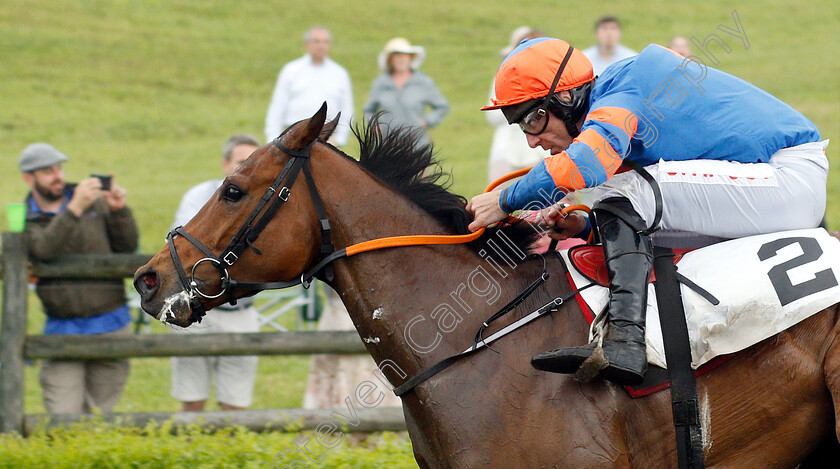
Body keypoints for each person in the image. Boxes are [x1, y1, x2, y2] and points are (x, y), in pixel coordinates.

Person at [467, 38, 827, 386]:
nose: (531, 140)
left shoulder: (626, 86)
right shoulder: (613, 100)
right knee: (619, 196)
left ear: (565, 97)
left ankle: (625, 343)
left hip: (789, 175)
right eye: (522, 127)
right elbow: (637, 215)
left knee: (624, 190)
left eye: (534, 120)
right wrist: (585, 226)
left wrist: (503, 200)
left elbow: (586, 166)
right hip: (772, 189)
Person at [20, 142, 138, 414]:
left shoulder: (95, 202)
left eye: (59, 168)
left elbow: (127, 247)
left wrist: (119, 211)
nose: (58, 175)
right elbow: (43, 250)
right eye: (47, 171)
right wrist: (73, 210)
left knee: (100, 414)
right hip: (63, 328)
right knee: (62, 416)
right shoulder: (28, 219)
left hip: (111, 322)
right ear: (29, 178)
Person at [169, 134, 261, 411]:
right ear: (225, 164)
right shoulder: (199, 196)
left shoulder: (266, 203)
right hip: (197, 311)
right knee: (191, 400)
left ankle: (227, 455)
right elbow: (181, 247)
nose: (249, 169)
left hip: (242, 312)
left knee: (236, 404)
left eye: (254, 163)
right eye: (242, 162)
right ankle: (190, 453)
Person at [264, 26, 353, 146]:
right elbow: (278, 106)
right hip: (294, 137)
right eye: (316, 41)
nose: (321, 46)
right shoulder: (291, 70)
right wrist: (273, 138)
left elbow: (347, 109)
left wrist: (339, 139)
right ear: (307, 45)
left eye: (325, 42)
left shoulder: (339, 73)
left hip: (327, 139)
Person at [486, 26, 551, 183]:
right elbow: (492, 115)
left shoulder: (550, 78)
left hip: (541, 153)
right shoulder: (502, 79)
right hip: (506, 152)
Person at [362, 37, 450, 146]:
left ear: (410, 58)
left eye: (405, 56)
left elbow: (442, 106)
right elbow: (368, 110)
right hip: (387, 146)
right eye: (397, 56)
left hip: (416, 145)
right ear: (390, 60)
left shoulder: (423, 82)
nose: (401, 59)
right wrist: (375, 124)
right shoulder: (381, 83)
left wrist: (426, 122)